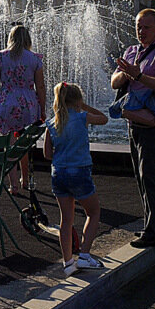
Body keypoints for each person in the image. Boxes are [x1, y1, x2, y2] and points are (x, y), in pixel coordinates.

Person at [111, 8, 155, 248]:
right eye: (138, 27)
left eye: (146, 27)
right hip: (135, 119)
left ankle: (153, 231)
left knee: (150, 175)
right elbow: (114, 82)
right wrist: (124, 75)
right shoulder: (131, 51)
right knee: (144, 176)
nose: (141, 31)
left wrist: (139, 75)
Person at [44, 81, 108, 276]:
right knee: (93, 212)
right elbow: (104, 119)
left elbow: (47, 154)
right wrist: (84, 106)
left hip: (59, 174)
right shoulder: (82, 117)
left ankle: (68, 263)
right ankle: (85, 255)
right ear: (78, 101)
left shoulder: (52, 122)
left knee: (66, 220)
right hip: (79, 172)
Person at [0, 24, 46, 193]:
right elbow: (41, 87)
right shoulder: (35, 59)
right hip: (28, 104)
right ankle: (25, 180)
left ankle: (13, 185)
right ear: (27, 39)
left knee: (9, 144)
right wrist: (42, 109)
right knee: (25, 143)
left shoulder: (0, 57)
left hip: (7, 102)